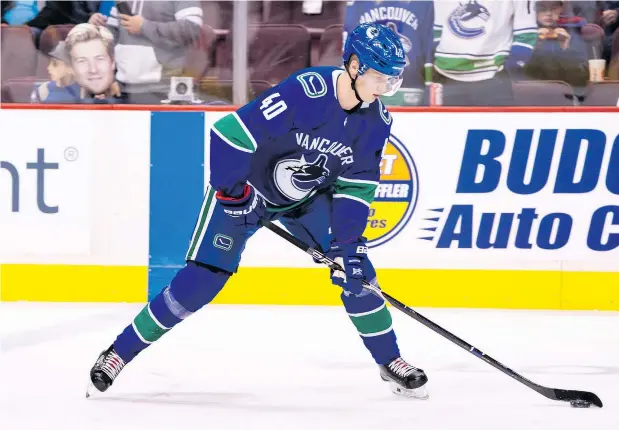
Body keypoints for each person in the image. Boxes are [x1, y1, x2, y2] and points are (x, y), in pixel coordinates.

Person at [86, 22, 430, 400]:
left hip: (305, 200)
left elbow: (356, 186)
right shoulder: (307, 91)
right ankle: (118, 353)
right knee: (201, 282)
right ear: (353, 65)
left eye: (391, 80)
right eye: (379, 77)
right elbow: (229, 134)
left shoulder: (376, 121)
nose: (385, 89)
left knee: (358, 274)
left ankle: (390, 360)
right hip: (246, 189)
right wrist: (235, 195)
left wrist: (349, 245)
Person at [433, 0, 538, 105]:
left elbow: (526, 33)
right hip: (446, 76)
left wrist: (509, 68)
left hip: (493, 78)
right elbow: (436, 28)